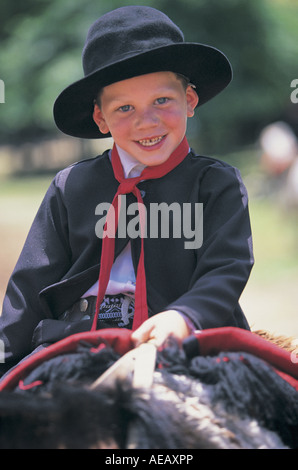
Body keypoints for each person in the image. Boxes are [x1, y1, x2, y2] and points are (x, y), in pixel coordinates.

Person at [0, 6, 254, 377]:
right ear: (100, 118)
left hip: (183, 338)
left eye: (162, 101)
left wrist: (185, 315)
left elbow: (227, 268)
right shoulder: (70, 187)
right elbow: (30, 286)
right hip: (76, 342)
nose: (146, 121)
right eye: (124, 108)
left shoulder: (217, 184)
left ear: (190, 100)